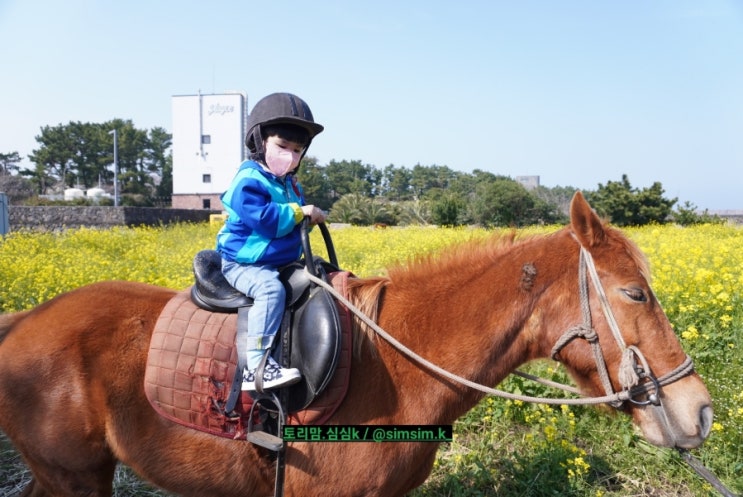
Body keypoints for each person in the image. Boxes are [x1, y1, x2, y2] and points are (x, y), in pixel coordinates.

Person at [216, 92, 327, 391]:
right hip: (245, 263)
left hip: (279, 261)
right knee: (270, 290)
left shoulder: (290, 184)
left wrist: (309, 219)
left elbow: (294, 226)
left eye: (297, 149)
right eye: (282, 146)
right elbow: (265, 220)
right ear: (260, 140)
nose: (290, 155)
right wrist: (298, 212)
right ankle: (257, 365)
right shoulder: (248, 179)